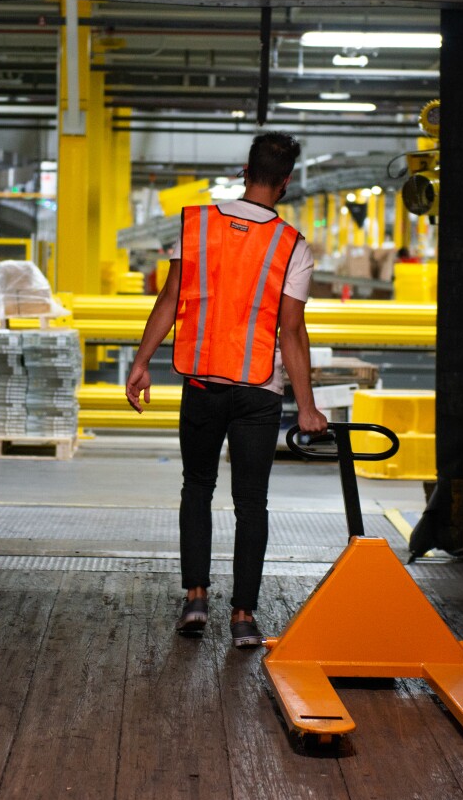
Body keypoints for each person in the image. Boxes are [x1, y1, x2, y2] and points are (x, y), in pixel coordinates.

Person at [125, 132, 328, 648]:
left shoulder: (195, 227)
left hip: (202, 381)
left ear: (244, 171)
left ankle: (195, 598)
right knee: (251, 503)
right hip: (259, 390)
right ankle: (242, 616)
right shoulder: (292, 245)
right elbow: (292, 331)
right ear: (284, 182)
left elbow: (170, 300)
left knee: (197, 488)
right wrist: (306, 408)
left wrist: (142, 361)